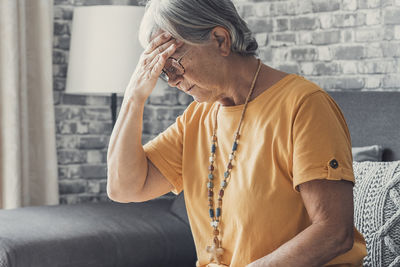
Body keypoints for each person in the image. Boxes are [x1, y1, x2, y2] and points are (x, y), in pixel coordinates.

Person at [106, 0, 367, 266]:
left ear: (221, 40)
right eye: (162, 72)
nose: (172, 80)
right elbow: (123, 188)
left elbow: (334, 233)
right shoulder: (197, 118)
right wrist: (133, 97)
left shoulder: (303, 104)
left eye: (173, 63)